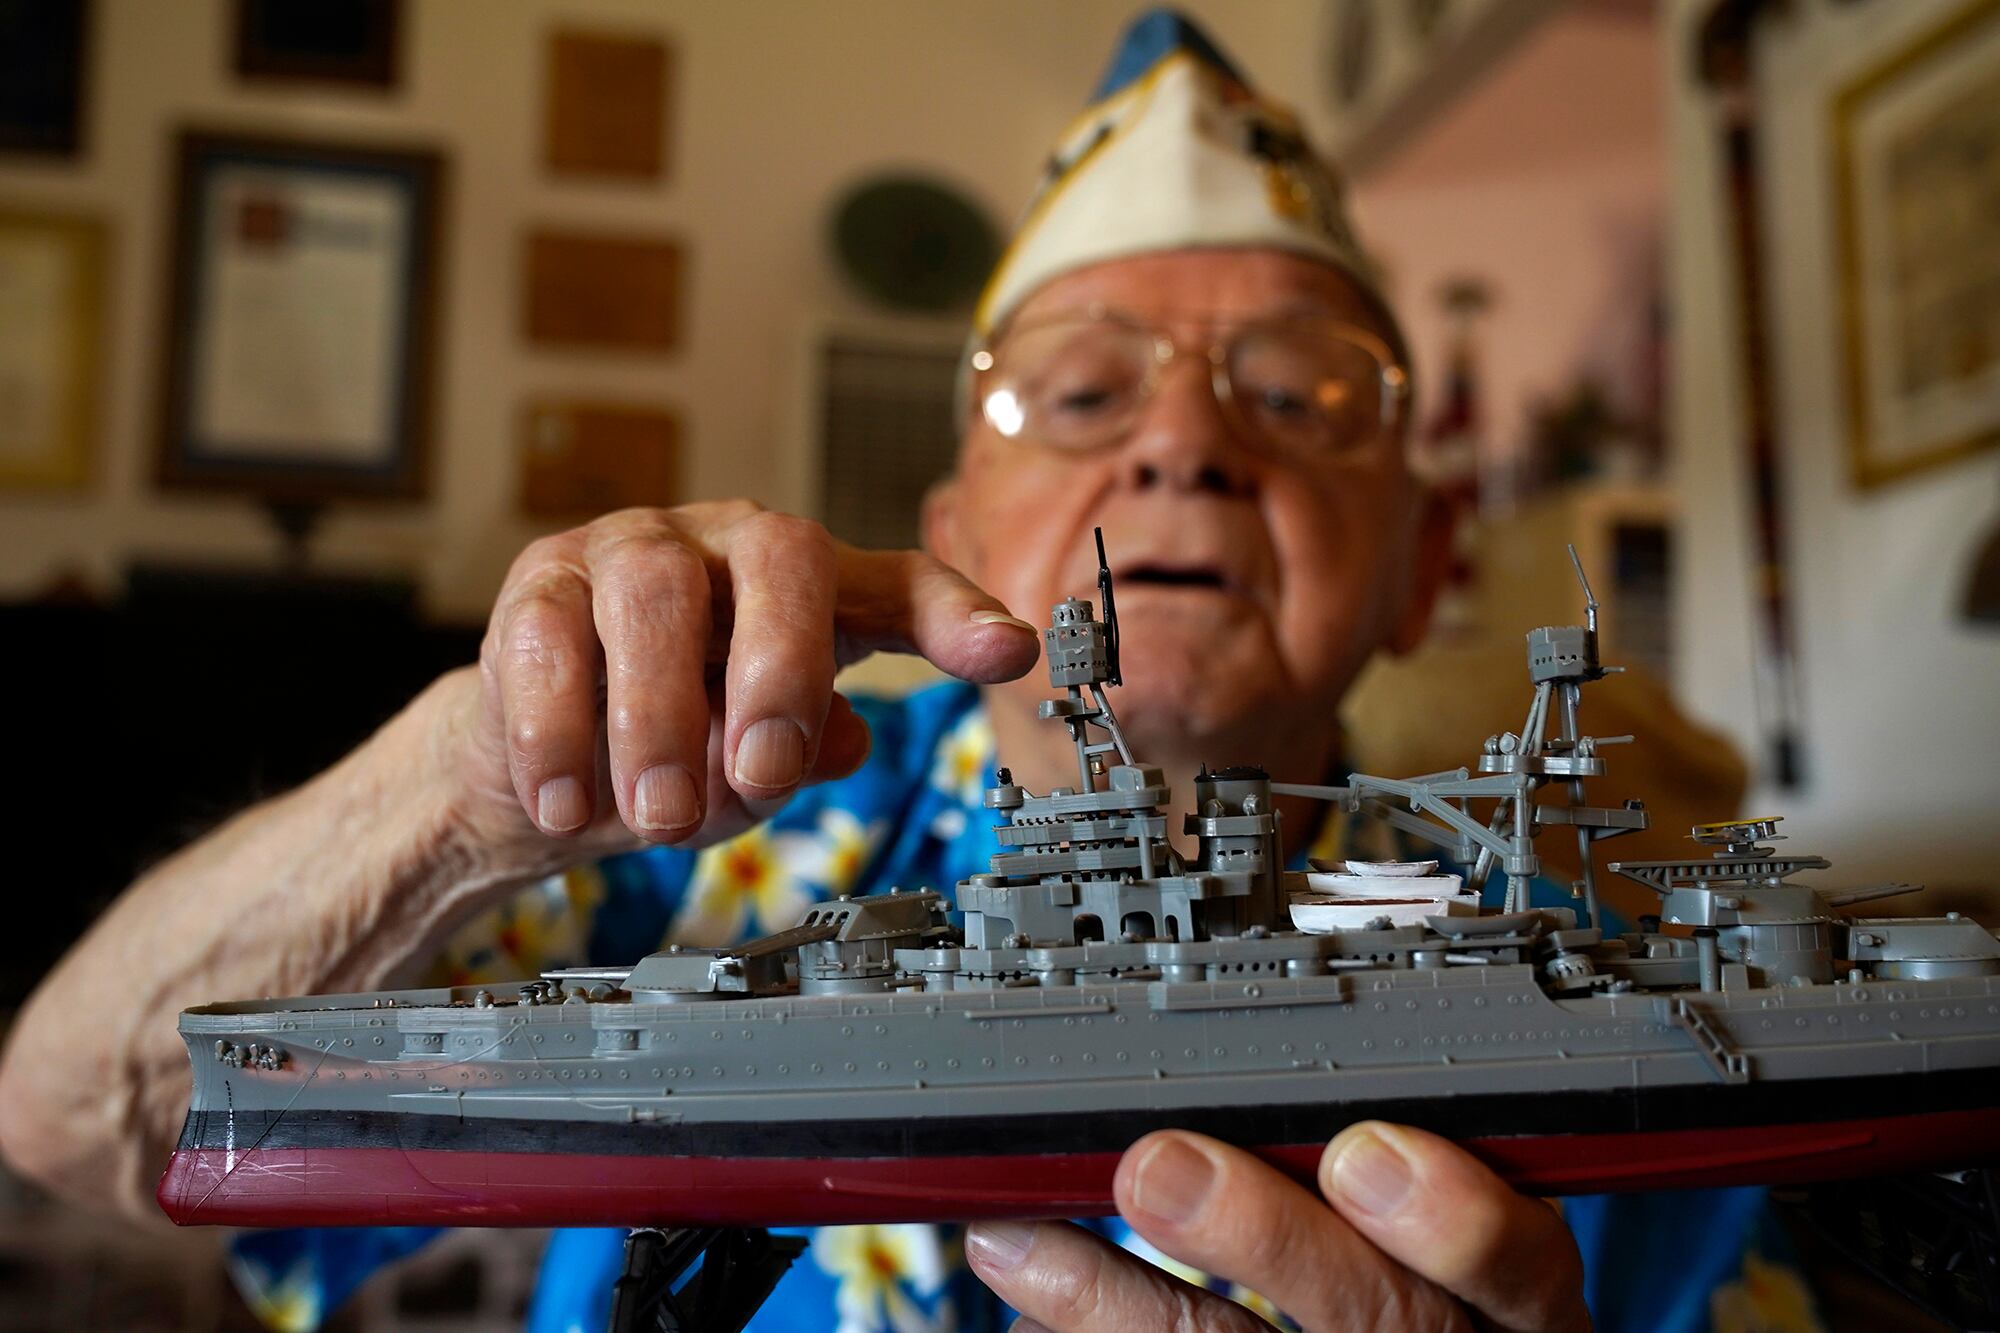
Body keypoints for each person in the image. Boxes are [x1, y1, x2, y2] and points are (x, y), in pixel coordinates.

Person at [0, 12, 1818, 1332]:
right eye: (1089, 392)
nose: (1184, 446)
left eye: (1296, 394)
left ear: (1428, 561)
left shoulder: (1629, 1029)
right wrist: (470, 783)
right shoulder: (692, 848)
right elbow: (83, 1117)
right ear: (957, 512)